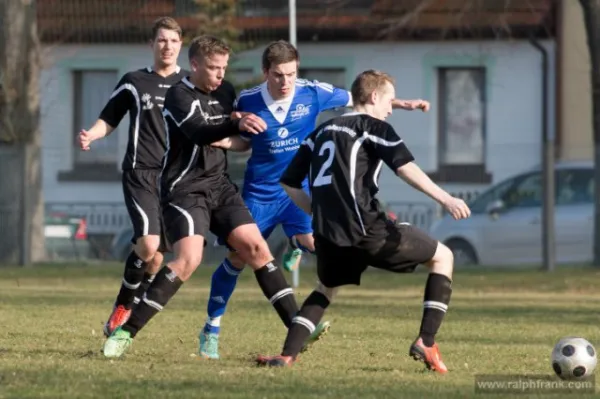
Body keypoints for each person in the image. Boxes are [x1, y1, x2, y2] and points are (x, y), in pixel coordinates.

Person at [201, 40, 431, 360]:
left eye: (292, 74)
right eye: (279, 75)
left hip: (300, 190)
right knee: (239, 259)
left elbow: (363, 98)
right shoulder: (248, 99)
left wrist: (402, 104)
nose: (286, 82)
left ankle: (297, 249)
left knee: (317, 243)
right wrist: (217, 139)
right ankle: (211, 328)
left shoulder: (313, 92)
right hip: (262, 193)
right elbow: (242, 141)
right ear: (266, 72)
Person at [102, 35, 325, 358]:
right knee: (187, 260)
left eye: (223, 67)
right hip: (184, 188)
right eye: (213, 67)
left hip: (219, 185)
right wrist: (234, 122)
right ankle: (127, 331)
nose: (221, 74)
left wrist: (240, 132)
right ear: (194, 65)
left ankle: (298, 325)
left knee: (256, 248)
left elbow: (236, 140)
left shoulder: (226, 91)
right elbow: (199, 132)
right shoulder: (179, 95)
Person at [255, 70, 471, 373]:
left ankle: (287, 354)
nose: (390, 108)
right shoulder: (373, 126)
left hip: (328, 233)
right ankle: (426, 340)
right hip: (366, 228)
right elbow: (405, 167)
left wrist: (318, 212)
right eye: (389, 101)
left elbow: (289, 183)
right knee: (443, 257)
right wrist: (446, 199)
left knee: (326, 288)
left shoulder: (320, 132)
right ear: (372, 97)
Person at [77, 17, 186, 337]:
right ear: (151, 44)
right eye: (162, 40)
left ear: (181, 45)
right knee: (149, 244)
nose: (167, 46)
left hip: (176, 179)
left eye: (173, 41)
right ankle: (123, 306)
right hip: (140, 172)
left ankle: (134, 300)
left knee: (155, 259)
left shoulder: (190, 84)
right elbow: (109, 118)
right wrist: (92, 136)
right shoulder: (134, 81)